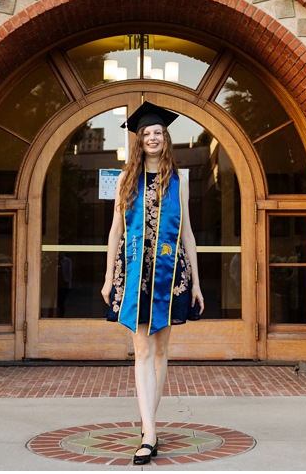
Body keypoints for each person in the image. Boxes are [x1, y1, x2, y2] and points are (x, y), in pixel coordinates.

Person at [101, 102, 204, 465]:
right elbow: (115, 231)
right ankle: (149, 432)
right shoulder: (125, 180)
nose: (152, 138)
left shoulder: (180, 179)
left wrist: (197, 282)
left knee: (161, 351)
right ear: (139, 140)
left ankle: (150, 425)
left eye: (157, 132)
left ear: (166, 137)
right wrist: (106, 276)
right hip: (132, 275)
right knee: (142, 351)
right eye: (146, 134)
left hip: (170, 274)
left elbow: (188, 233)